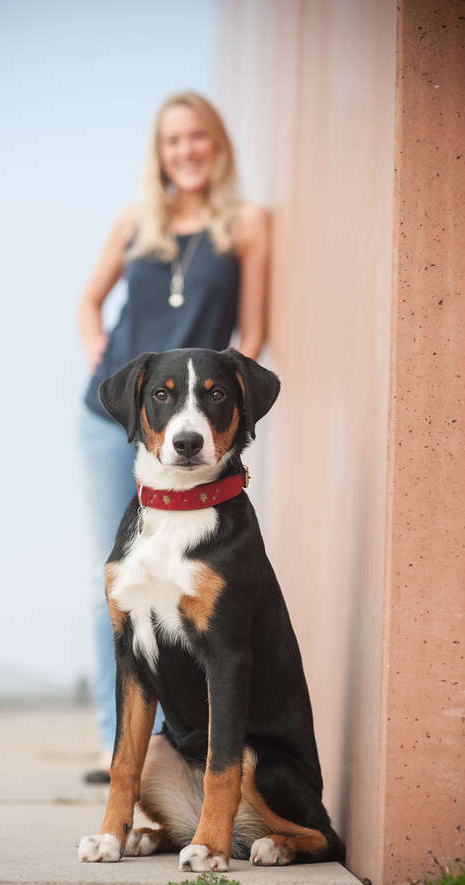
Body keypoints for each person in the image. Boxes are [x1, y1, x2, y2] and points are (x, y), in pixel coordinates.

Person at [77, 91, 268, 782]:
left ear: (217, 146)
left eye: (198, 138)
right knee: (125, 574)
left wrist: (232, 417)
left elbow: (252, 332)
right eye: (172, 141)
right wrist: (100, 353)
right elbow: (88, 299)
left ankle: (170, 747)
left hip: (200, 427)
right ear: (159, 153)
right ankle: (116, 742)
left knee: (190, 580)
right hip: (120, 421)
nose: (185, 150)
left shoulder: (247, 223)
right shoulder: (136, 221)